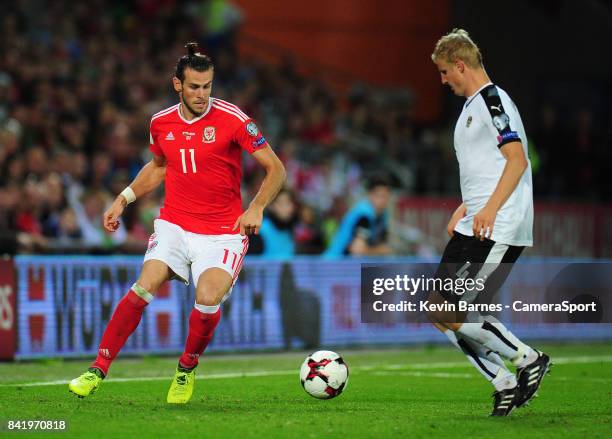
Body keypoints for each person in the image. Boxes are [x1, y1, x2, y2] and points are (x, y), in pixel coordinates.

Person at [68, 42, 286, 403]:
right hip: (175, 224)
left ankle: (185, 369)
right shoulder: (160, 122)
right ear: (177, 85)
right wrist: (124, 198)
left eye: (208, 87)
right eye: (195, 87)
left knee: (207, 297)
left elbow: (276, 168)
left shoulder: (234, 119)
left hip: (222, 233)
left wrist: (257, 207)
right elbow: (158, 167)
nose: (202, 95)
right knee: (143, 286)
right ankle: (97, 369)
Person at [428, 29, 550, 416]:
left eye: (445, 71)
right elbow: (488, 166)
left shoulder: (492, 101)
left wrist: (490, 209)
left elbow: (516, 159)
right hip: (476, 221)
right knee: (438, 309)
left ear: (461, 65)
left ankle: (526, 358)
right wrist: (466, 206)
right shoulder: (471, 107)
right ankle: (503, 381)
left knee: (451, 310)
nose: (443, 80)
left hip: (498, 224)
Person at [325, 176, 392, 257]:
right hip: (336, 263)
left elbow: (383, 243)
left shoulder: (383, 216)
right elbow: (357, 250)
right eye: (380, 196)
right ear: (370, 195)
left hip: (352, 265)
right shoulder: (364, 215)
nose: (383, 200)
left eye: (385, 196)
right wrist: (380, 250)